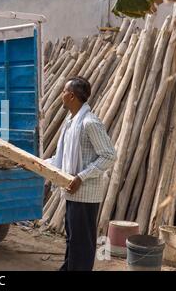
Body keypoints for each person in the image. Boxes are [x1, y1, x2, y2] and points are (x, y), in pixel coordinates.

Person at [46, 76, 116, 271]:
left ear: (71, 96)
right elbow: (63, 157)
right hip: (73, 191)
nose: (61, 95)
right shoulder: (72, 122)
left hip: (85, 194)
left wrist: (81, 177)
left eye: (63, 92)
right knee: (73, 240)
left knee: (82, 244)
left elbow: (109, 156)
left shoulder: (89, 123)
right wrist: (37, 164)